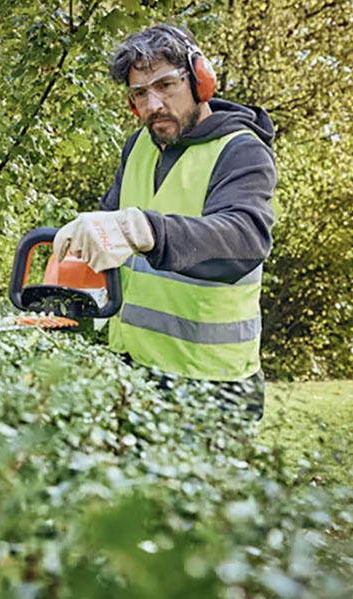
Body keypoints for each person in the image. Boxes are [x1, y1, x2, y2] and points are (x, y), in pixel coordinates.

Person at [53, 24, 277, 417]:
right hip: (131, 366)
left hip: (212, 383)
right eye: (140, 93)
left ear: (200, 80)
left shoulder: (241, 151)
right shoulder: (139, 146)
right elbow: (111, 229)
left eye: (165, 85)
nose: (153, 104)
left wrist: (147, 230)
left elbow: (245, 238)